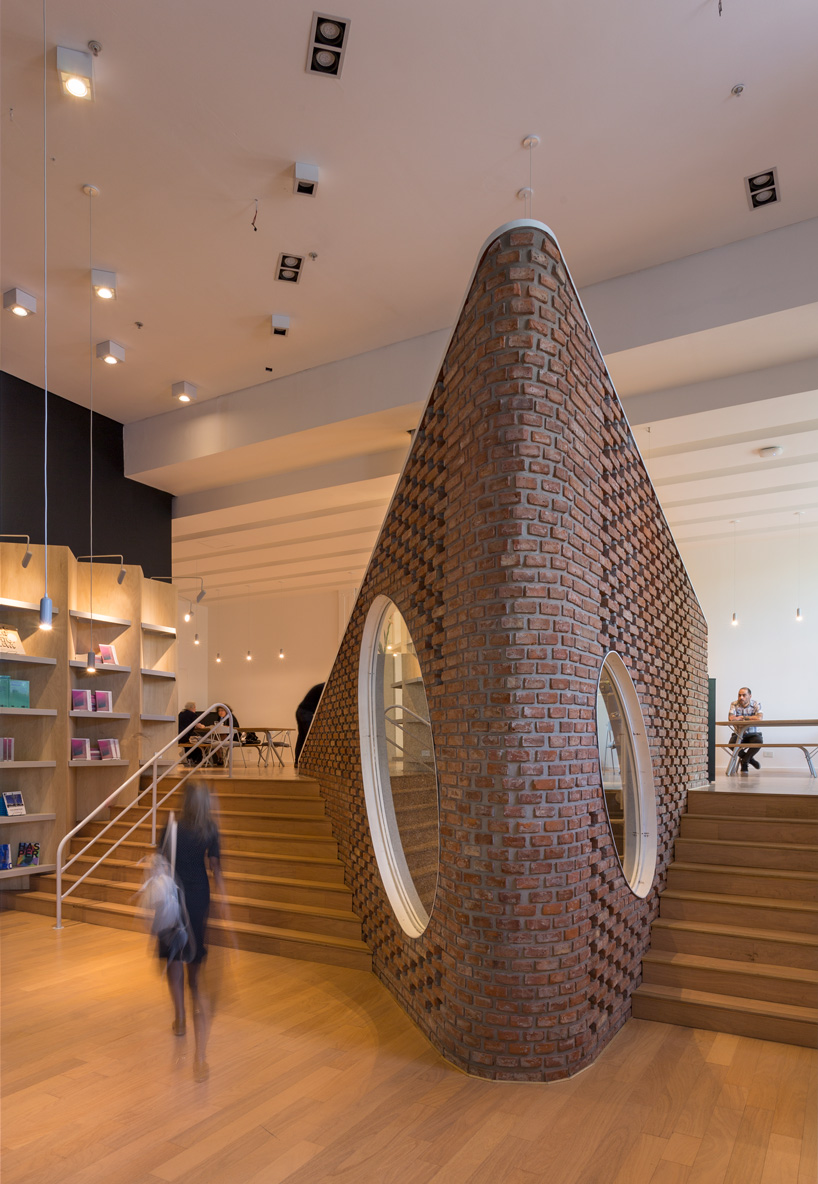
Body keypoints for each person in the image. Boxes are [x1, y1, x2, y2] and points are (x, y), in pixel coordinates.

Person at [158, 781, 226, 1081]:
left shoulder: (171, 825)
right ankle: (200, 1057)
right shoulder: (209, 829)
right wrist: (223, 901)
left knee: (173, 956)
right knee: (195, 968)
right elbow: (215, 867)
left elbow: (160, 862)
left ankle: (180, 1017)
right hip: (199, 897)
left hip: (172, 897)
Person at [728, 686, 764, 773]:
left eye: (744, 695)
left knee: (758, 742)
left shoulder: (756, 704)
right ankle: (749, 759)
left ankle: (744, 762)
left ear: (750, 696)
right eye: (739, 695)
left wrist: (742, 717)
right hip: (739, 733)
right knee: (731, 744)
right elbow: (731, 718)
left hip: (754, 734)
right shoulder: (734, 704)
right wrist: (752, 718)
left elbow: (759, 718)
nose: (741, 697)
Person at [294, 683, 324, 767]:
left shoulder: (320, 687)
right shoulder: (323, 688)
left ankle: (297, 762)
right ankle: (315, 762)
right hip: (306, 712)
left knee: (302, 737)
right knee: (311, 737)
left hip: (300, 711)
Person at [177, 701, 203, 766]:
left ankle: (190, 760)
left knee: (188, 745)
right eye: (195, 707)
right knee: (193, 745)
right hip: (184, 736)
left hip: (177, 736)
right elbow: (198, 725)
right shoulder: (192, 714)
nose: (195, 709)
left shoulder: (181, 713)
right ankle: (196, 761)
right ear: (192, 708)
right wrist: (203, 726)